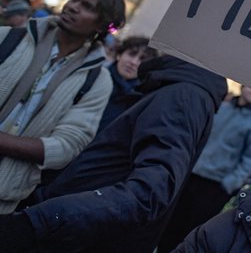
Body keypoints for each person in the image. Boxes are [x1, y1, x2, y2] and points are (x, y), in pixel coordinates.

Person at [0, 55, 228, 252]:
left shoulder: (183, 95)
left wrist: (44, 219)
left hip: (79, 238)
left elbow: (149, 193)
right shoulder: (182, 89)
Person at [0, 0, 125, 213]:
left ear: (101, 25)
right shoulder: (8, 39)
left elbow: (67, 146)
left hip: (5, 198)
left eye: (87, 7)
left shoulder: (97, 81)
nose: (73, 7)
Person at [159, 85, 251, 251]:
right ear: (243, 86)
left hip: (216, 185)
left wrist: (230, 182)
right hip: (193, 175)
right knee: (172, 224)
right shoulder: (222, 108)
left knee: (193, 232)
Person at [96, 35, 158, 132]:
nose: (134, 62)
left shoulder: (141, 101)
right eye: (131, 54)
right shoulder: (95, 77)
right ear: (119, 55)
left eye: (142, 59)